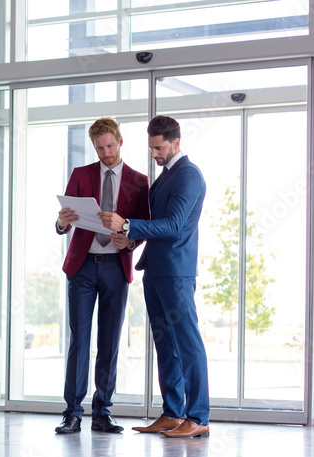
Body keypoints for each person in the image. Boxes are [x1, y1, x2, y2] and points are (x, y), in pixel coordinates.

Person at [99, 115, 210, 438]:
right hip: (157, 270)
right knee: (166, 345)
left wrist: (127, 225)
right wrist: (131, 239)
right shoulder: (165, 176)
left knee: (188, 344)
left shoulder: (188, 176)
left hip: (176, 271)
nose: (155, 154)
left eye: (159, 148)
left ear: (176, 142)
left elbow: (174, 226)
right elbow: (155, 223)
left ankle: (198, 416)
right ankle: (173, 413)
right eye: (151, 148)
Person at [54, 117, 150, 435]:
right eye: (99, 148)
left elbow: (143, 226)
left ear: (120, 141)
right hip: (81, 267)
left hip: (115, 266)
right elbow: (64, 222)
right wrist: (60, 222)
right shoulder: (81, 175)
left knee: (108, 343)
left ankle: (102, 412)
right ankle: (72, 412)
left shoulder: (138, 180)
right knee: (79, 342)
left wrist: (130, 240)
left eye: (110, 146)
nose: (106, 153)